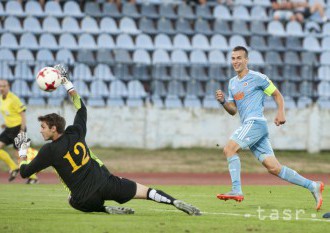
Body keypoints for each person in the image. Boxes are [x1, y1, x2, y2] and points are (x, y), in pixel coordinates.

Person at [16, 64, 201, 216]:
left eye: (43, 127)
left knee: (72, 200)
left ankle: (104, 209)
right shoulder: (76, 132)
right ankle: (173, 201)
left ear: (53, 128)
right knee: (146, 192)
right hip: (107, 183)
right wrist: (66, 83)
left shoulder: (48, 151)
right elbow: (81, 108)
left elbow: (24, 172)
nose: (40, 131)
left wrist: (23, 151)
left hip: (86, 198)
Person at [215, 46, 324, 210]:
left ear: (246, 60)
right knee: (274, 168)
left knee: (229, 149)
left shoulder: (258, 78)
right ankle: (312, 185)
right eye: (233, 58)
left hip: (255, 122)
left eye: (239, 58)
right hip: (251, 127)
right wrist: (223, 102)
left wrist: (281, 113)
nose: (235, 61)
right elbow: (233, 111)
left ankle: (236, 190)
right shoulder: (232, 83)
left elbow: (277, 94)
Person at [0, 80, 38, 184]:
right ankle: (14, 167)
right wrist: (6, 124)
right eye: (0, 86)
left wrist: (22, 129)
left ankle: (33, 177)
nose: (1, 88)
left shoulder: (13, 98)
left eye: (3, 86)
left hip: (18, 128)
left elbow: (22, 114)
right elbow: (9, 114)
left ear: (8, 86)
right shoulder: (1, 99)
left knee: (21, 154)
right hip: (9, 129)